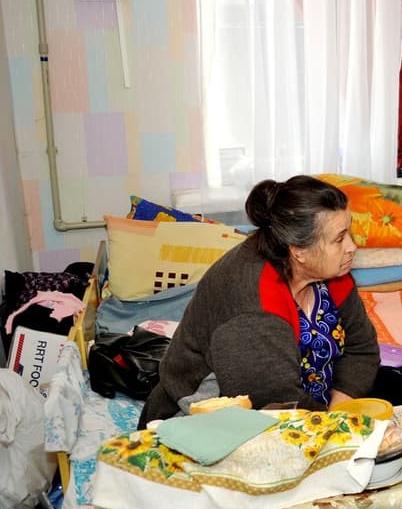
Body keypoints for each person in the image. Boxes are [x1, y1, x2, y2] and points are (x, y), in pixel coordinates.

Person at [140, 175, 382, 425]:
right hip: (206, 424)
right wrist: (335, 426)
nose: (352, 246)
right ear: (298, 250)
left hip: (311, 409)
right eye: (340, 238)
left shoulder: (330, 272)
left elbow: (362, 347)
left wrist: (339, 409)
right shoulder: (253, 309)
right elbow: (274, 402)